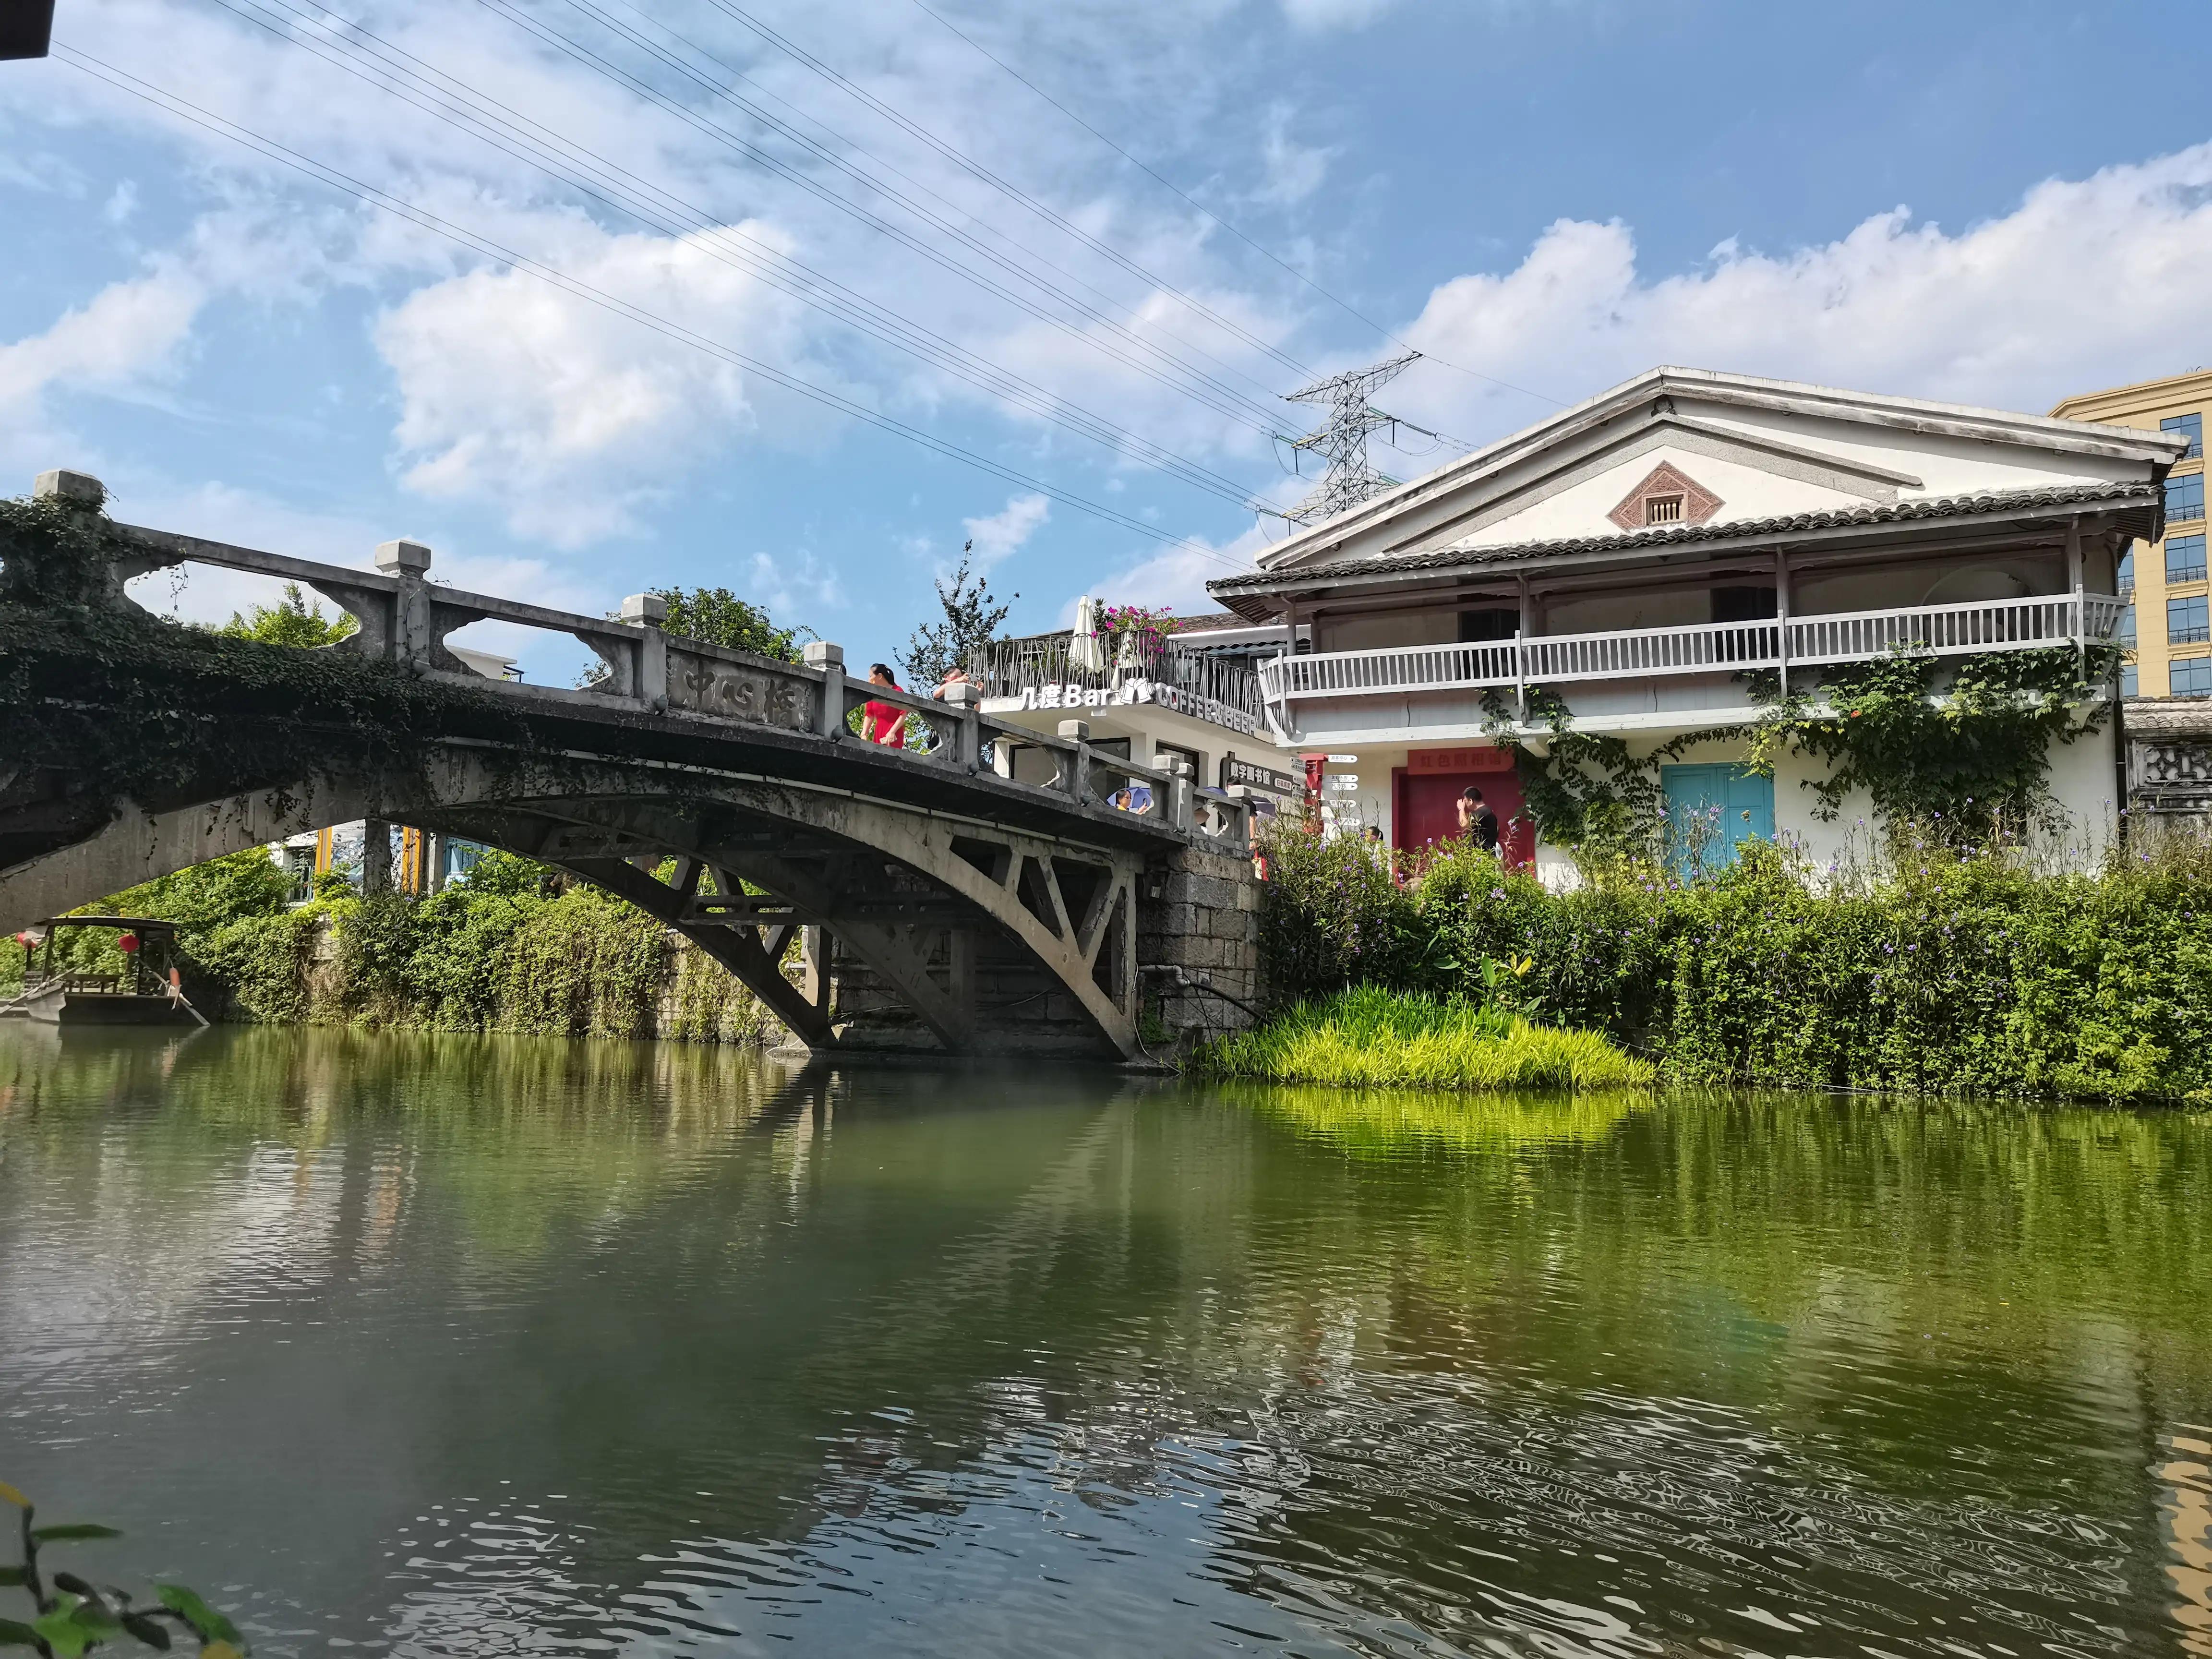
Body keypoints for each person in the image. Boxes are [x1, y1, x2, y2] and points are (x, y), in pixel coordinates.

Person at [862, 663, 908, 746]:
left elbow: (904, 714)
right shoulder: (873, 694)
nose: (869, 680)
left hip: (894, 733)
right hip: (879, 732)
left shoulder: (897, 691)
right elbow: (869, 715)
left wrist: (892, 732)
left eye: (871, 676)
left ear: (880, 676)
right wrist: (864, 734)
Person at [1456, 785, 1500, 854]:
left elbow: (1464, 826)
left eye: (1466, 801)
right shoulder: (1488, 811)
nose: (1465, 804)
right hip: (1490, 852)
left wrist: (1461, 809)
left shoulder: (1480, 813)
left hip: (1483, 854)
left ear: (1471, 801)